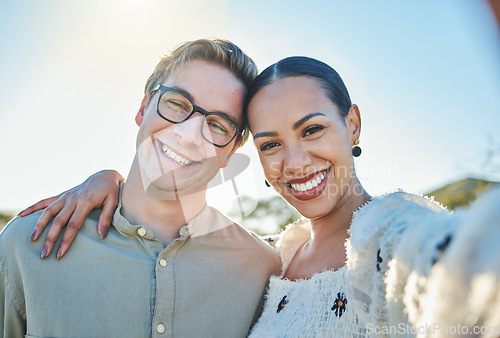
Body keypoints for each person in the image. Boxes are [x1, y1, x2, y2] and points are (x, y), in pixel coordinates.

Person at [17, 56, 500, 336]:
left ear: (351, 123)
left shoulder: (387, 231)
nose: (294, 162)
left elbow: (455, 264)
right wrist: (112, 181)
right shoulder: (278, 260)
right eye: (270, 144)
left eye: (312, 129)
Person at [0, 38, 281, 338]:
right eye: (176, 103)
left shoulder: (263, 270)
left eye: (218, 125)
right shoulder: (25, 244)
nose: (188, 135)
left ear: (232, 151)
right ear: (144, 106)